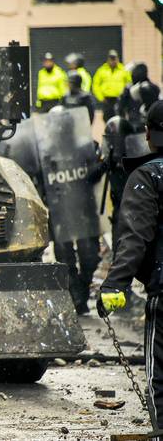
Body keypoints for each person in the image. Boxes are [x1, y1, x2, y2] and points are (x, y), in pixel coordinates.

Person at [97, 99, 163, 433]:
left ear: (149, 134)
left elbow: (134, 237)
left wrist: (113, 286)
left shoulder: (148, 176)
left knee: (160, 379)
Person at [118, 62, 160, 132]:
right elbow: (120, 107)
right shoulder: (129, 89)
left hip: (148, 125)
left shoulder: (150, 87)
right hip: (134, 124)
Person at [93, 50, 131, 122]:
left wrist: (125, 96)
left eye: (114, 59)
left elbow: (129, 83)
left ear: (118, 59)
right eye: (111, 59)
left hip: (120, 99)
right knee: (107, 118)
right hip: (107, 99)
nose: (113, 61)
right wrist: (101, 97)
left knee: (120, 117)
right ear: (108, 59)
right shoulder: (102, 70)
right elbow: (96, 84)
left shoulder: (123, 70)